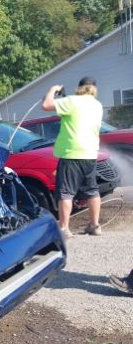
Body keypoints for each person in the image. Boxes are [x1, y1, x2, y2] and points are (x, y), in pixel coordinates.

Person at [41, 76, 103, 239]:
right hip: (90, 153)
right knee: (92, 190)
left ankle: (64, 228)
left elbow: (46, 104)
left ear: (79, 87)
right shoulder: (97, 105)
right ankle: (95, 225)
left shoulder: (72, 101)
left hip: (71, 153)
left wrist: (53, 90)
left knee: (66, 192)